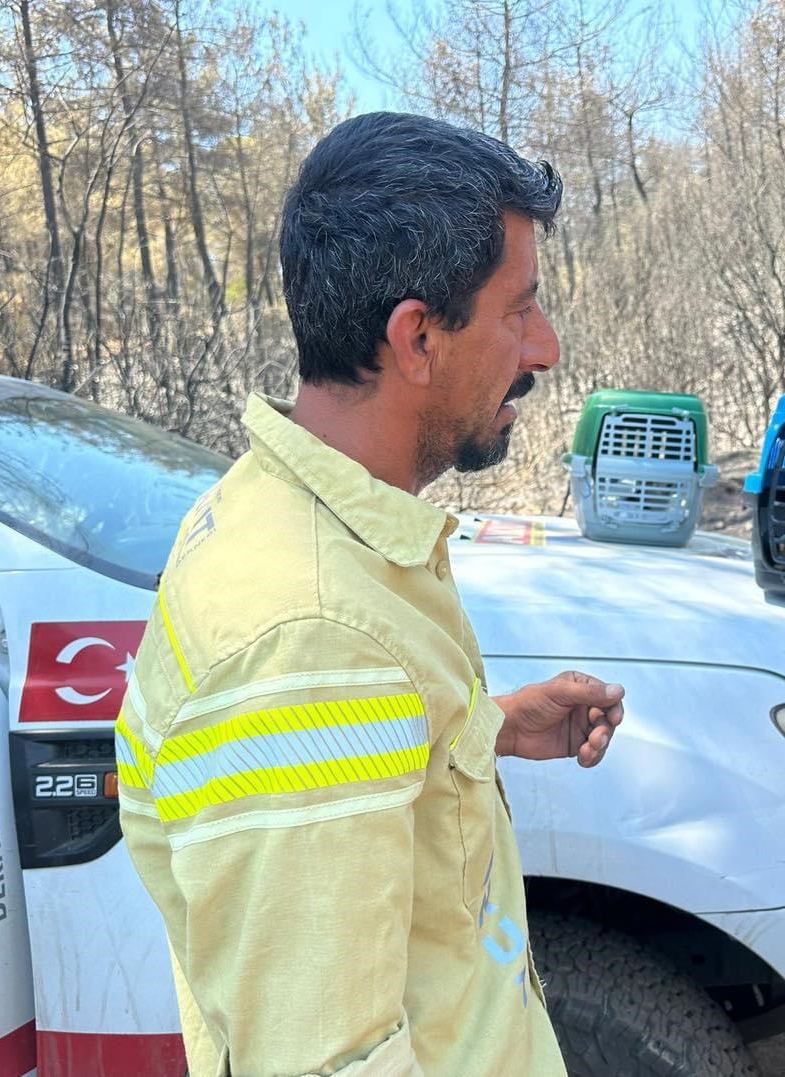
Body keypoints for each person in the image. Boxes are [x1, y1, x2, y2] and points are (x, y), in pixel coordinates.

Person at [115, 112, 625, 1076]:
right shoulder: (307, 635)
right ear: (419, 337)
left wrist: (482, 729)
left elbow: (345, 761)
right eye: (521, 308)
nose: (546, 346)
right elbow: (324, 1059)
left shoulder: (291, 513)